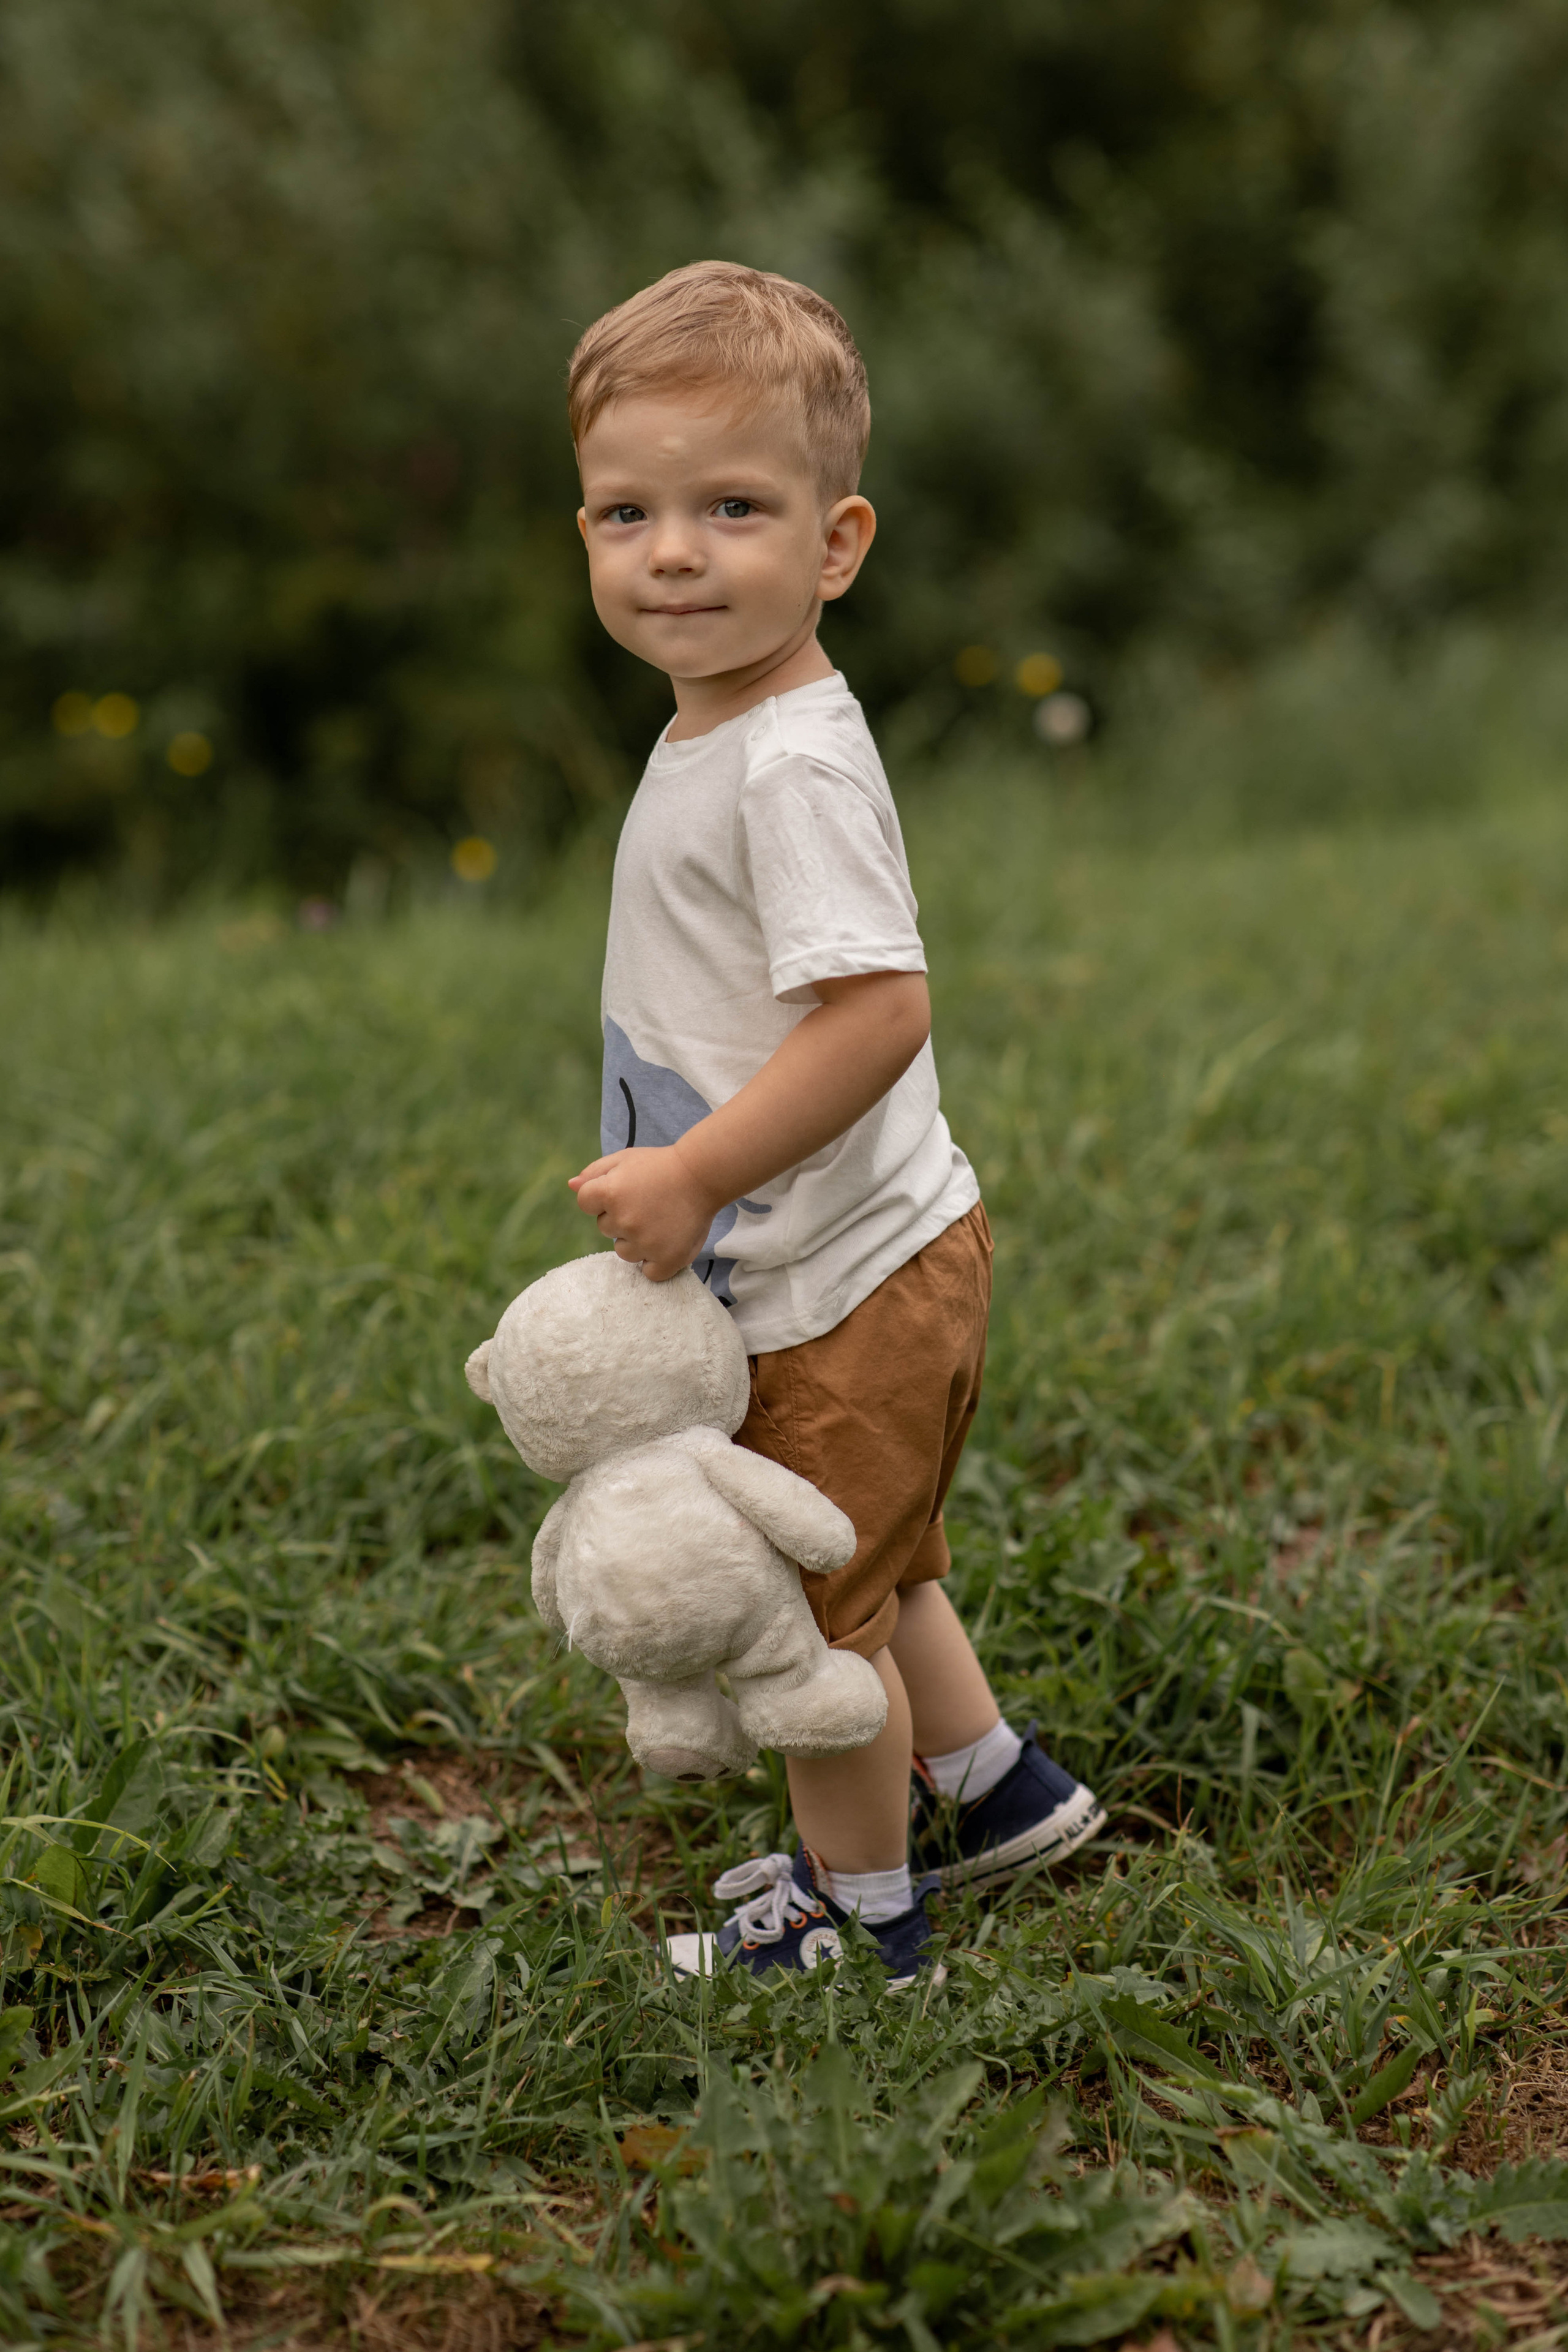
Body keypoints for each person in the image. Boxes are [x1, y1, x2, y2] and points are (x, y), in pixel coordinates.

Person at [564, 260, 1104, 1986]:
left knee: (815, 1619)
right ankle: (994, 1786)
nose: (672, 552)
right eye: (626, 510)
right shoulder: (722, 728)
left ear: (837, 542)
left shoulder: (789, 762)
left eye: (734, 507)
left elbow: (878, 1011)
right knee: (892, 1557)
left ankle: (862, 1926)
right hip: (874, 1260)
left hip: (838, 1291)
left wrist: (698, 1172)